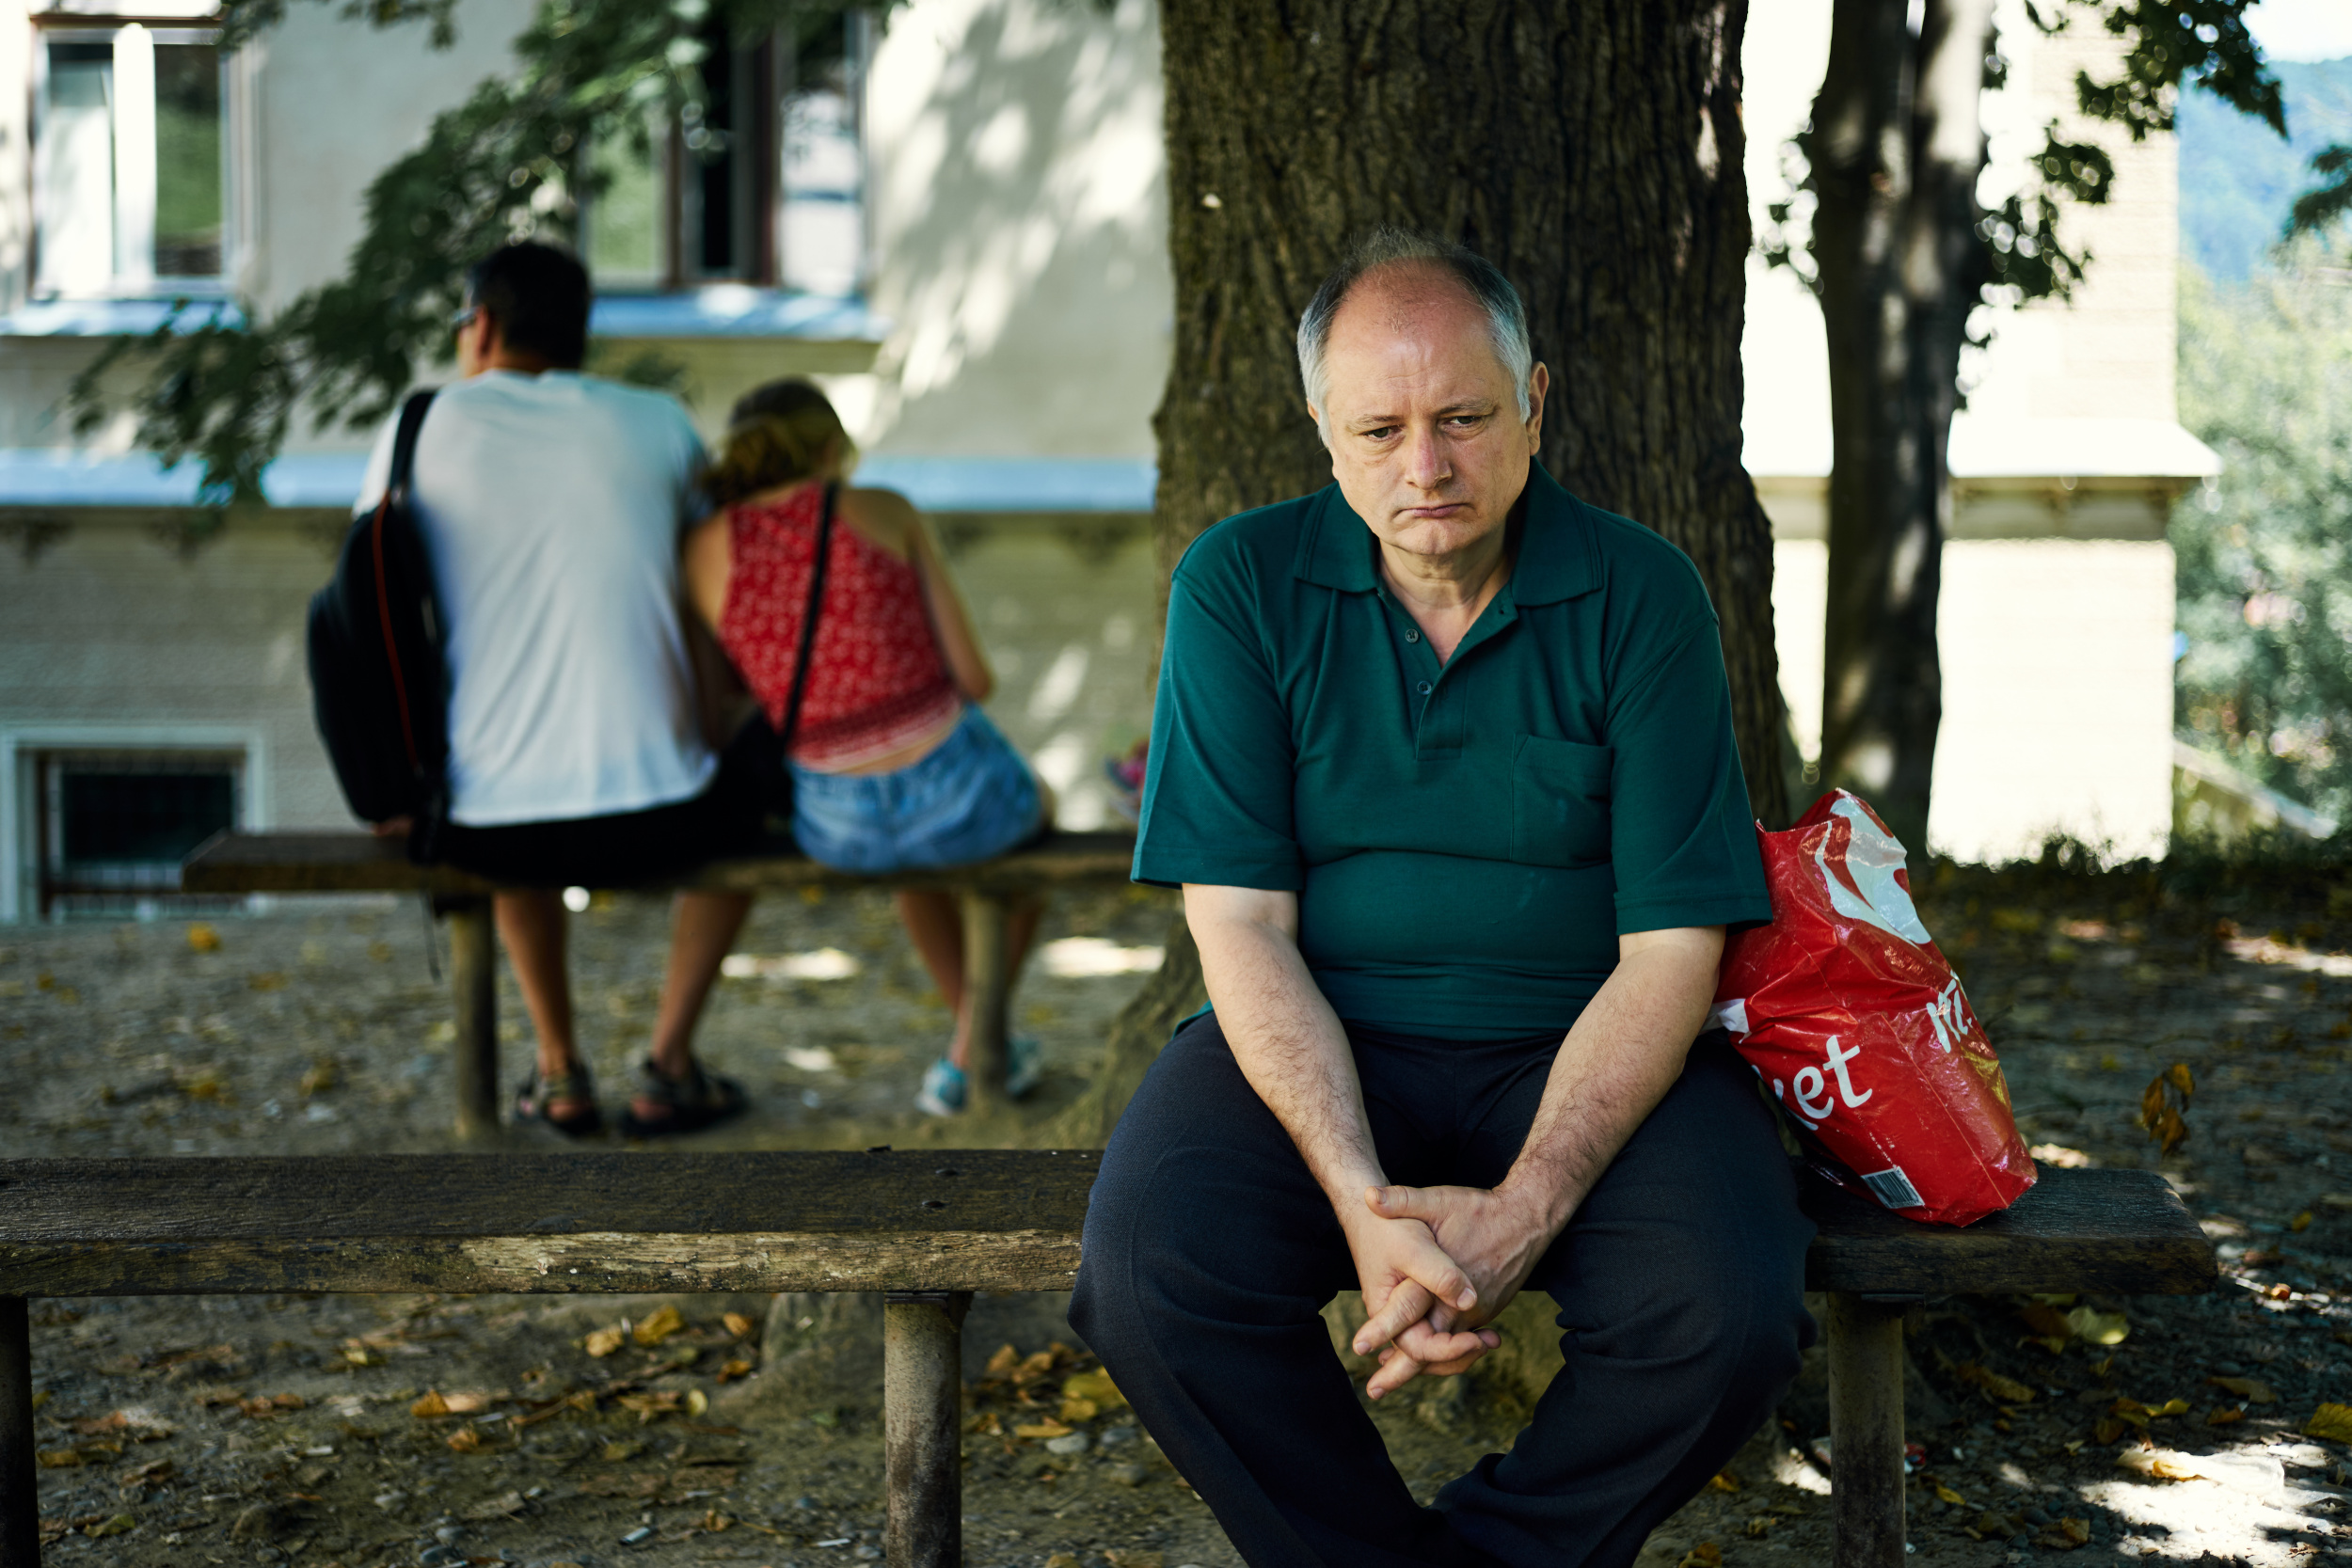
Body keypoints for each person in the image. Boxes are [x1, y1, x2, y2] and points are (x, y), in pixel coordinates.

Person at [1068, 229, 1816, 1568]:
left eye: (1464, 417)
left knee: (1729, 1311)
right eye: (1380, 428)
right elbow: (1238, 921)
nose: (1425, 466)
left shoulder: (1642, 592)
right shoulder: (1239, 584)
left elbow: (1671, 949)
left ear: (1534, 401)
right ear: (1323, 429)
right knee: (1149, 1279)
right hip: (1323, 1033)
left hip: (1588, 1037)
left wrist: (1526, 1206)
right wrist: (1361, 1198)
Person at [354, 243, 758, 1140]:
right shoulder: (659, 422)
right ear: (580, 334)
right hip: (667, 810)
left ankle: (560, 1067)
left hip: (490, 826)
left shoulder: (417, 427)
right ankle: (670, 1063)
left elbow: (372, 604)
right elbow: (714, 591)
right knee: (756, 805)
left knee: (499, 774)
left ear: (481, 326)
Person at [682, 379, 1051, 1117]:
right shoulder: (882, 510)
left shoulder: (703, 547)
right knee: (1035, 828)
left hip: (836, 820)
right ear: (828, 448)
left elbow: (717, 705)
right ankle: (971, 1047)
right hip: (959, 793)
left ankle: (974, 1044)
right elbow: (975, 679)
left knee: (913, 875)